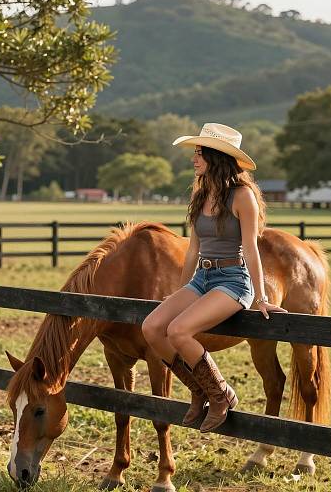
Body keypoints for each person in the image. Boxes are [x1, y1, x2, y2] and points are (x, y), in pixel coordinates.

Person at [141, 122, 288, 433]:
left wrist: (261, 297)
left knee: (179, 332)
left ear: (215, 156)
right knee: (152, 327)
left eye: (199, 153)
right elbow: (193, 250)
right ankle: (199, 390)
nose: (193, 159)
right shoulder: (201, 193)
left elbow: (251, 249)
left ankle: (220, 394)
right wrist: (180, 292)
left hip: (233, 280)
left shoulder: (242, 196)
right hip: (202, 278)